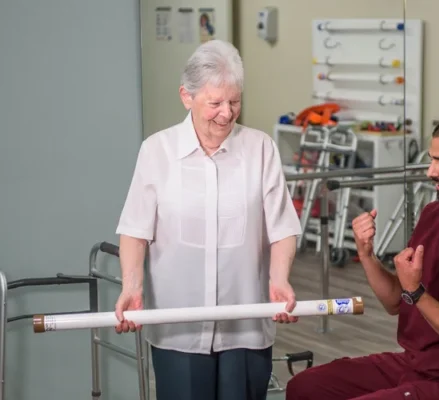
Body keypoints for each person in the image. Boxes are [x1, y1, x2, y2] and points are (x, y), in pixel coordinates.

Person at [286, 111, 439, 400]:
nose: (431, 171)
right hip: (420, 365)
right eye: (432, 159)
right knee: (304, 387)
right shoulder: (436, 213)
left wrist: (416, 291)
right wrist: (367, 255)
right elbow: (395, 303)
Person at [113, 39, 302, 400]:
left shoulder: (260, 148)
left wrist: (279, 280)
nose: (227, 114)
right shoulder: (158, 150)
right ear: (187, 96)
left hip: (246, 323)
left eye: (234, 102)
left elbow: (281, 228)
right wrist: (132, 288)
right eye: (215, 103)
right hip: (177, 326)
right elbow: (136, 231)